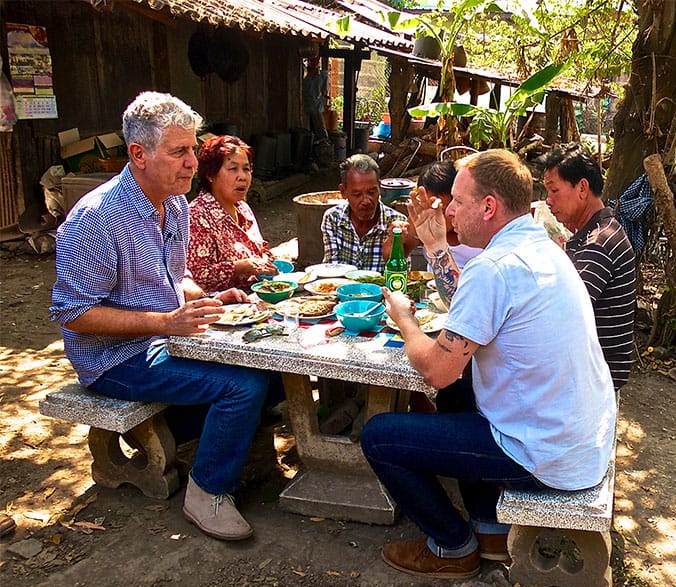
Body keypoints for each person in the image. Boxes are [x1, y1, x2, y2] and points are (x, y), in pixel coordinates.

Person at [361, 149, 616, 578]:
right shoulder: (539, 244)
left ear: (489, 206)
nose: (450, 212)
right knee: (460, 391)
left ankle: (452, 546)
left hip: (547, 456)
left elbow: (436, 369)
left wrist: (405, 320)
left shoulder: (495, 268)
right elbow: (468, 303)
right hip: (579, 437)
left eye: (457, 202)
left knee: (379, 436)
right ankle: (490, 528)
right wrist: (436, 243)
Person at [50, 91, 272, 542]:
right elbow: (74, 314)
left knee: (265, 366)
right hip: (113, 359)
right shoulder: (95, 219)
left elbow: (177, 276)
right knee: (242, 386)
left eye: (192, 148)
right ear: (139, 154)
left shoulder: (173, 202)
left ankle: (176, 434)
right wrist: (165, 323)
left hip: (162, 339)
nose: (192, 162)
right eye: (179, 152)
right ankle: (207, 492)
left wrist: (214, 296)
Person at [538, 143, 637, 390]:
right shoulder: (599, 229)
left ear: (582, 188)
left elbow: (563, 312)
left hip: (592, 379)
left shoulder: (598, 243)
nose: (548, 202)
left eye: (554, 191)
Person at [187, 135, 276, 292]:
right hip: (223, 308)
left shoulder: (243, 209)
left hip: (258, 296)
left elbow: (261, 249)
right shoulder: (196, 216)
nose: (242, 176)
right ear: (210, 174)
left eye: (246, 169)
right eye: (233, 169)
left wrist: (266, 262)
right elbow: (195, 277)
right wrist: (239, 268)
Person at [320, 154, 419, 270]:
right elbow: (331, 269)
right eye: (357, 194)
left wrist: (393, 240)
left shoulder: (397, 224)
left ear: (380, 187)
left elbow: (400, 274)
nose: (366, 201)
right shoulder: (333, 218)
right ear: (343, 192)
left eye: (372, 192)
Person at [417, 160, 481, 273]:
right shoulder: (423, 220)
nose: (435, 218)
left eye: (441, 209)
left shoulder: (479, 234)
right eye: (429, 209)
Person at [303, 56, 328, 143]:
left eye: (316, 61)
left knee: (321, 132)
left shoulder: (322, 75)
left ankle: (325, 148)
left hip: (317, 107)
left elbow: (324, 91)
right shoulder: (304, 75)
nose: (314, 63)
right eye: (312, 61)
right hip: (306, 108)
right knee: (306, 132)